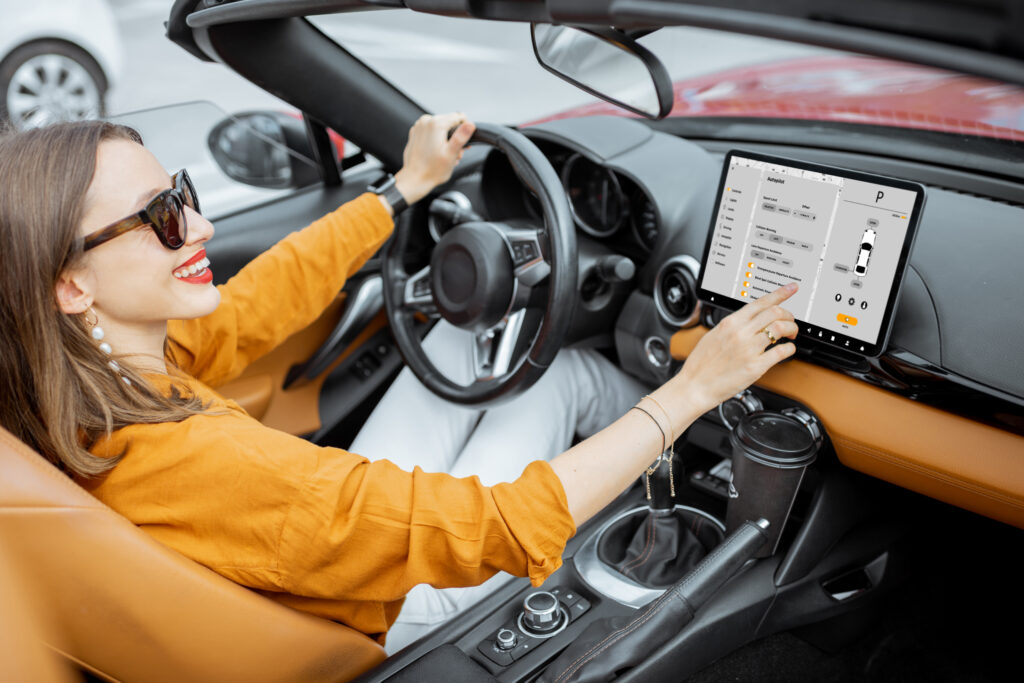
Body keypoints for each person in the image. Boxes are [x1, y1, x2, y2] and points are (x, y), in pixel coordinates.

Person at [0, 115, 799, 649]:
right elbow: (496, 522)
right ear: (71, 285)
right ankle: (714, 456)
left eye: (186, 194)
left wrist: (404, 190)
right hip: (393, 627)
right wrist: (692, 389)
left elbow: (257, 302)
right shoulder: (201, 460)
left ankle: (676, 442)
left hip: (316, 572)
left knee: (461, 337)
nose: (200, 225)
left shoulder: (97, 376)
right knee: (564, 377)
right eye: (162, 218)